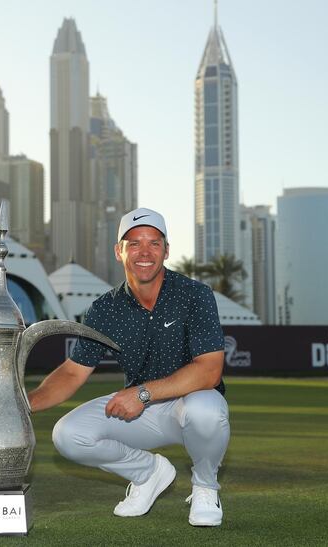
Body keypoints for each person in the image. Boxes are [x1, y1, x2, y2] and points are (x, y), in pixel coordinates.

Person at [28, 207, 230, 527]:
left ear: (166, 250)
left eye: (154, 243)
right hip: (143, 412)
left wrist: (143, 393)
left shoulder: (194, 294)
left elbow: (209, 370)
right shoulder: (104, 308)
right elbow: (71, 372)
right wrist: (23, 404)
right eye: (134, 243)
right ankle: (148, 473)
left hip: (189, 402)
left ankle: (205, 487)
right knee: (68, 435)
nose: (145, 252)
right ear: (119, 251)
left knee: (207, 409)